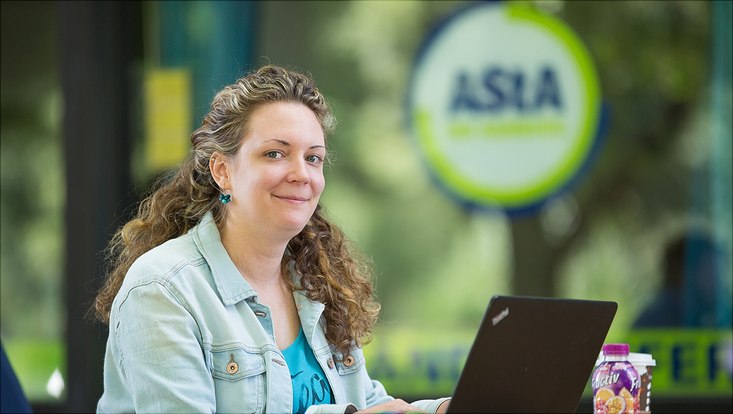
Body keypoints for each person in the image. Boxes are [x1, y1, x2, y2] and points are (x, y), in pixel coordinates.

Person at [93, 64, 451, 413]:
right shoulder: (162, 289)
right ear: (223, 171)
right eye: (275, 154)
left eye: (314, 158)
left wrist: (445, 408)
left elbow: (369, 403)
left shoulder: (316, 283)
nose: (301, 174)